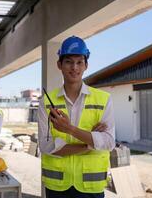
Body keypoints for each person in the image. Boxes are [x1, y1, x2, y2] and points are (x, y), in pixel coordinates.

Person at [38, 36, 115, 198]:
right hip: (57, 187)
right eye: (68, 61)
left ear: (86, 65)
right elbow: (46, 147)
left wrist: (70, 130)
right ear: (59, 65)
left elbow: (108, 142)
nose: (74, 67)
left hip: (90, 188)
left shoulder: (103, 99)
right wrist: (89, 143)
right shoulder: (46, 102)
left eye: (79, 62)